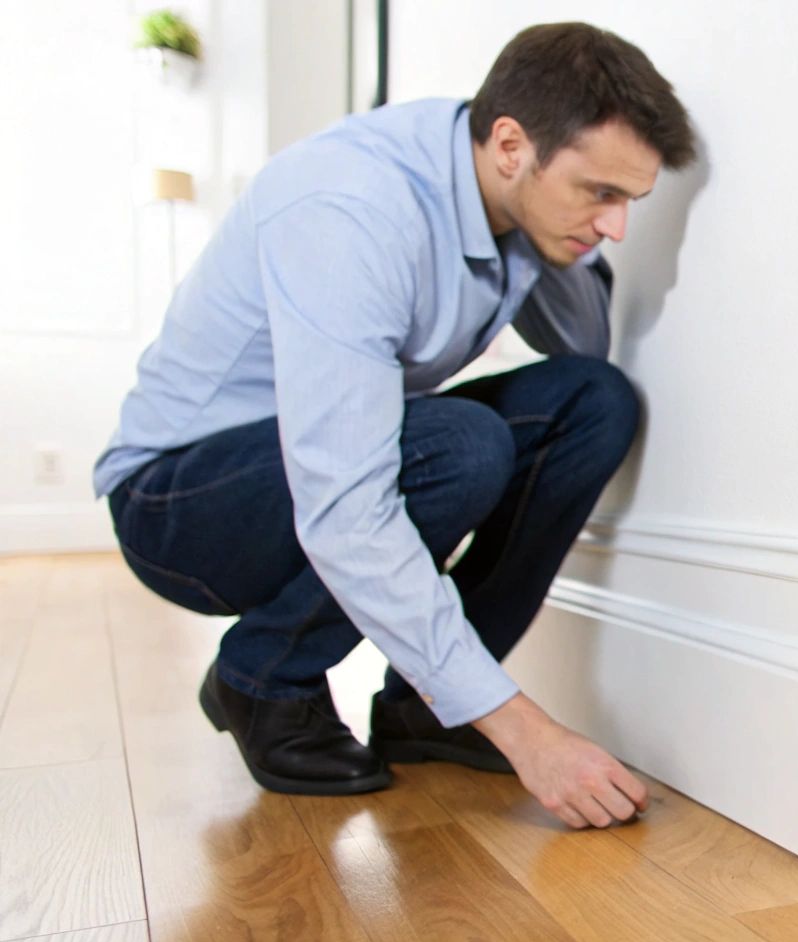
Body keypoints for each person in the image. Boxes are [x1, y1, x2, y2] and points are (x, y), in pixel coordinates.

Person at [93, 22, 696, 830]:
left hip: (310, 464)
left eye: (631, 200)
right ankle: (265, 677)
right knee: (463, 447)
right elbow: (346, 504)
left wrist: (565, 242)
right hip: (177, 504)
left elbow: (584, 348)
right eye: (600, 194)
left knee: (594, 402)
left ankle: (426, 706)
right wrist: (526, 732)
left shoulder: (506, 194)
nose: (617, 227)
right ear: (510, 145)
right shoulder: (351, 208)